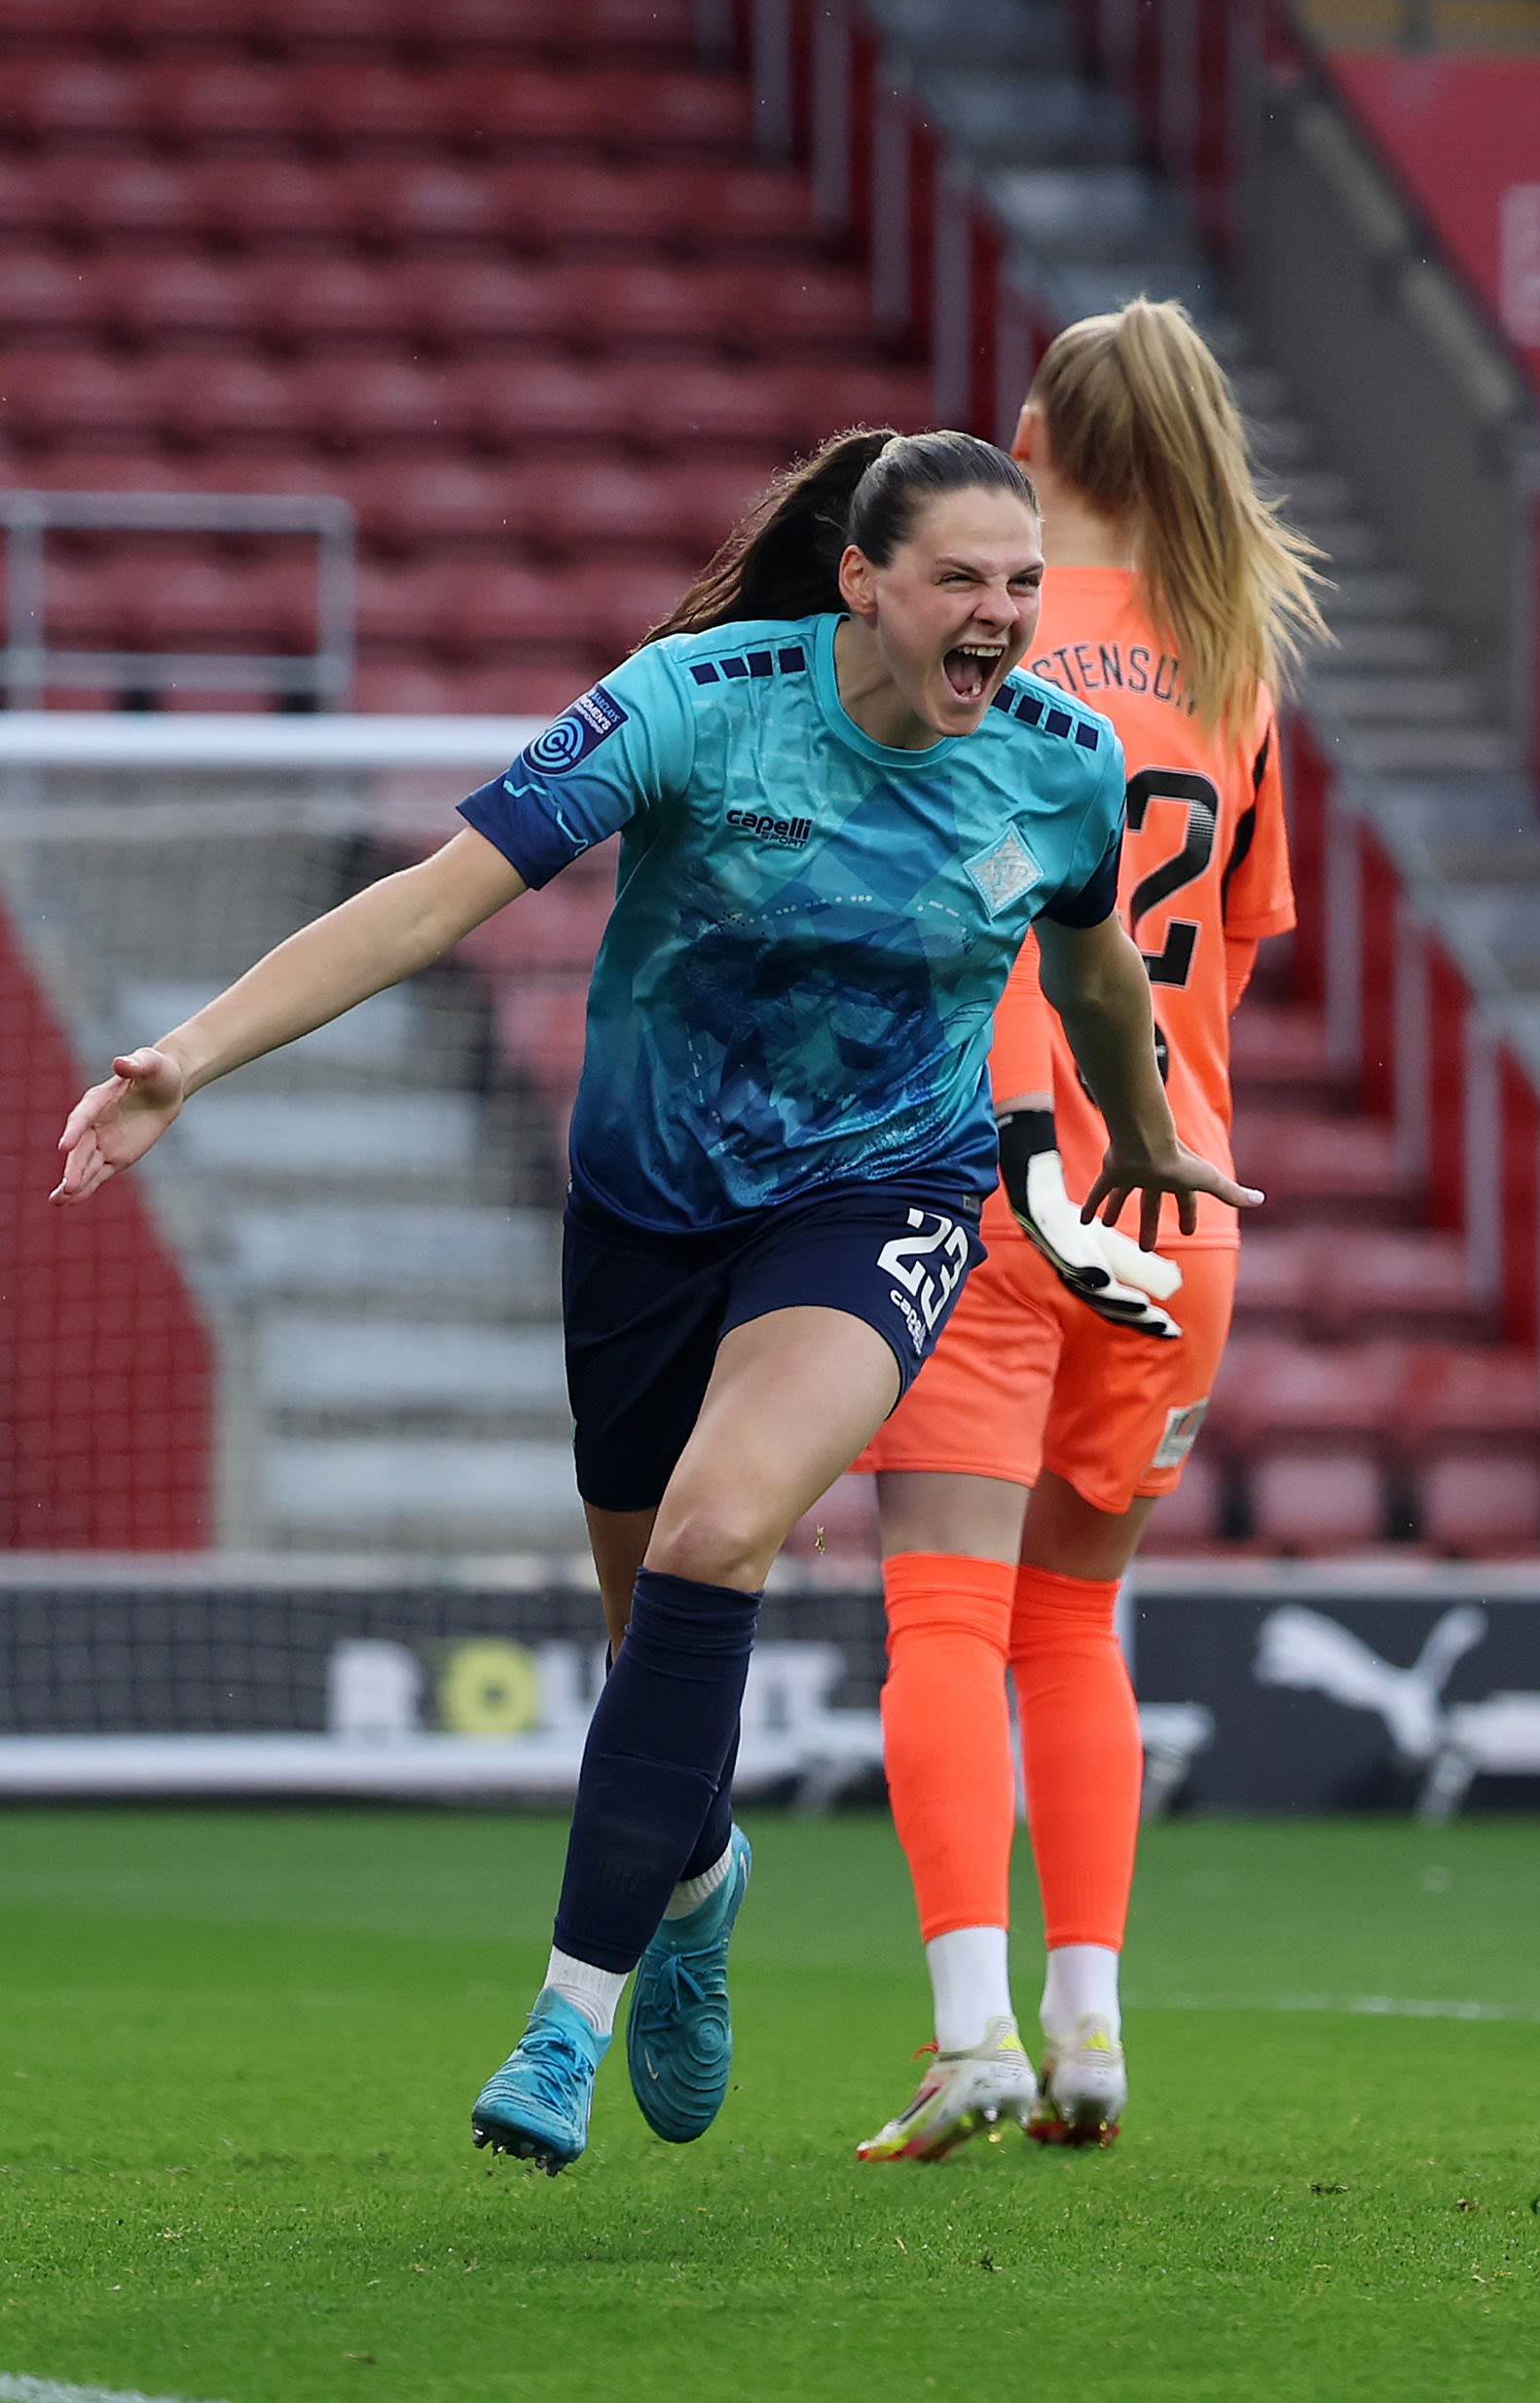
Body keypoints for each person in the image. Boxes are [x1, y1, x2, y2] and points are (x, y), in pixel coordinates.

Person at [52, 428, 1254, 2176]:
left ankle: (566, 2018)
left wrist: (1137, 1137)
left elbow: (1095, 976)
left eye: (1021, 583)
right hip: (644, 1215)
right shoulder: (694, 701)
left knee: (716, 1531)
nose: (1001, 614)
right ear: (863, 582)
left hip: (882, 1203)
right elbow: (431, 903)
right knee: (650, 1636)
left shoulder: (1059, 763)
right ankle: (697, 1883)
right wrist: (189, 1055)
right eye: (961, 581)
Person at [849, 300, 1324, 2163]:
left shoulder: (986, 636)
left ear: (1035, 436)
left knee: (944, 1608)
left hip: (985, 1165)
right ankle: (1090, 2022)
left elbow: (919, 903)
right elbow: (1230, 968)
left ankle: (970, 2030)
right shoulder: (1233, 658)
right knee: (1076, 1617)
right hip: (1180, 1196)